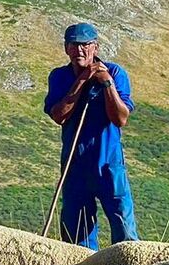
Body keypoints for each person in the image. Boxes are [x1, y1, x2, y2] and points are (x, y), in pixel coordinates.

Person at [43, 21, 138, 248]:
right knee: (76, 239)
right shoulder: (59, 77)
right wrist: (82, 80)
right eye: (74, 45)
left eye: (86, 45)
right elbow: (59, 115)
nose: (80, 51)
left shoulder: (115, 73)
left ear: (95, 47)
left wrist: (107, 85)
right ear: (66, 49)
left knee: (125, 232)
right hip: (75, 167)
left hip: (109, 165)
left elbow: (120, 118)